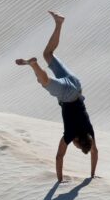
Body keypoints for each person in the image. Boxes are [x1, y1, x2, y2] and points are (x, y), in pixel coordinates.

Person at [15, 11, 98, 182]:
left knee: (48, 54)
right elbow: (59, 157)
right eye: (76, 146)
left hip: (76, 86)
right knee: (44, 82)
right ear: (76, 141)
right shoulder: (70, 134)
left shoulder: (89, 130)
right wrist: (59, 181)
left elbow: (95, 152)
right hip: (66, 95)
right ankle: (33, 65)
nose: (73, 146)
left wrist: (92, 173)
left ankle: (59, 23)